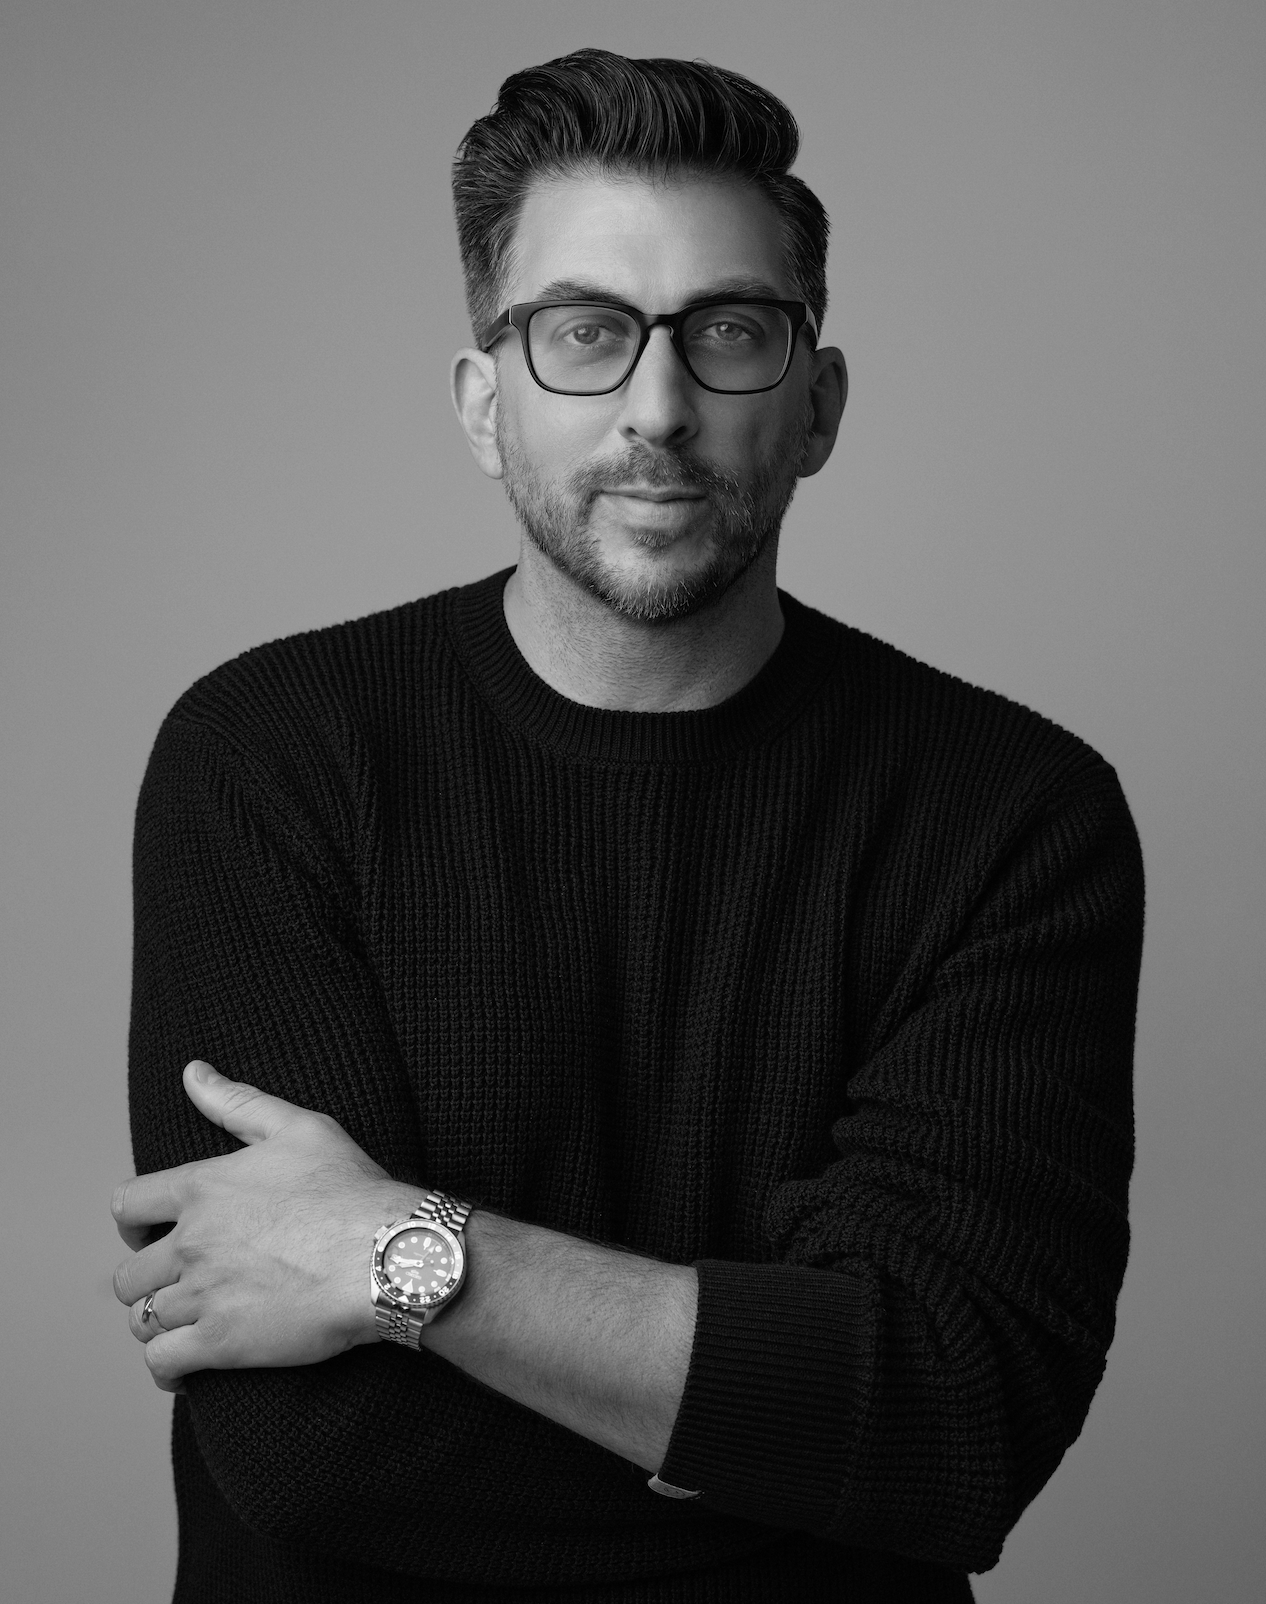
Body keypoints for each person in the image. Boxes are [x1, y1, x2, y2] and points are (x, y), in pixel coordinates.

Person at [112, 48, 1144, 1604]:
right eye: (583, 333)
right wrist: (792, 1438)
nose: (656, 409)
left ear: (816, 405)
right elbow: (308, 1458)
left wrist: (405, 1255)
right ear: (486, 404)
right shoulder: (272, 755)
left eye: (728, 332)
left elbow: (953, 1422)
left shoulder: (1008, 810)